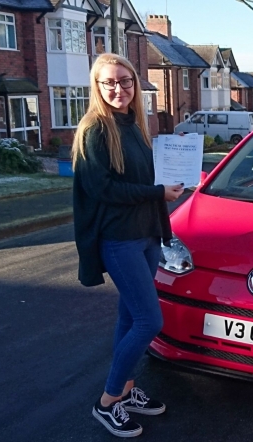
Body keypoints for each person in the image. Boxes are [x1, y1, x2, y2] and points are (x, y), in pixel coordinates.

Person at [71, 53, 184, 438]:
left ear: (135, 84)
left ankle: (127, 390)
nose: (119, 88)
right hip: (119, 240)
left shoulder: (135, 125)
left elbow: (147, 175)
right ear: (98, 87)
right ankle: (107, 401)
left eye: (126, 81)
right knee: (150, 321)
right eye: (110, 82)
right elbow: (101, 188)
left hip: (147, 234)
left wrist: (177, 162)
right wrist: (157, 191)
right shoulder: (94, 130)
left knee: (129, 317)